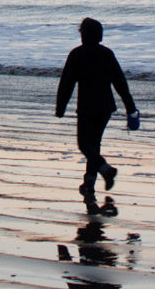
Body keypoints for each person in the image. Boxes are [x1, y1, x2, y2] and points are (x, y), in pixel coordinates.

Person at [55, 17, 139, 198]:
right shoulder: (107, 53)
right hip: (105, 107)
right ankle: (89, 182)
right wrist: (130, 107)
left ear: (83, 35)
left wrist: (60, 107)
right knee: (94, 144)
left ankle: (105, 169)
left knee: (85, 144)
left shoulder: (77, 54)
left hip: (87, 107)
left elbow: (66, 83)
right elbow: (120, 82)